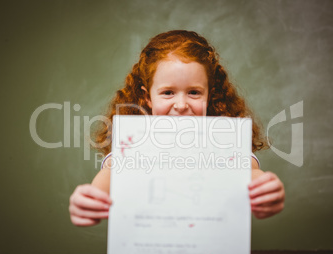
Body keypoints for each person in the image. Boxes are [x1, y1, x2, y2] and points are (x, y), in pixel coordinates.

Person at [69, 30, 285, 227]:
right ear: (147, 97)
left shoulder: (224, 141)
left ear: (209, 95)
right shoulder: (134, 144)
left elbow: (249, 171)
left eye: (194, 92)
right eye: (168, 92)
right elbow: (110, 174)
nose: (181, 105)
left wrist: (265, 189)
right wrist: (91, 198)